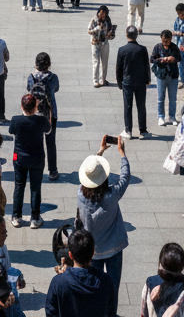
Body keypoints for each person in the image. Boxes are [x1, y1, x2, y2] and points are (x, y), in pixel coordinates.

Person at [76, 135, 130, 316]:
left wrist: (99, 153)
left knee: (95, 285)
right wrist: (122, 154)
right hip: (114, 247)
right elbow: (125, 177)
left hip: (93, 250)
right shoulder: (112, 195)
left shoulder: (81, 195)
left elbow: (89, 174)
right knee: (113, 287)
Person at [45, 227, 113, 317]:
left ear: (70, 255)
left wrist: (63, 277)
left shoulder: (58, 283)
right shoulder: (106, 281)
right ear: (93, 253)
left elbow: (50, 313)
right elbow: (111, 311)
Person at [8, 92, 50, 228]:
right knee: (35, 188)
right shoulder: (41, 120)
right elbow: (48, 130)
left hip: (19, 157)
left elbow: (11, 131)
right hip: (37, 158)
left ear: (22, 106)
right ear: (35, 106)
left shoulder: (16, 120)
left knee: (19, 185)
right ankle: (35, 218)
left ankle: (16, 216)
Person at [27, 51, 60, 179]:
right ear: (49, 65)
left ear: (36, 64)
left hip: (34, 113)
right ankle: (53, 171)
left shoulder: (31, 77)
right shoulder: (53, 78)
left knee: (35, 143)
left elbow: (28, 88)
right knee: (51, 144)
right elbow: (56, 89)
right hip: (50, 114)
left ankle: (35, 168)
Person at [116, 26, 151, 139]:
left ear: (127, 35)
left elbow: (119, 68)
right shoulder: (142, 49)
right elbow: (146, 66)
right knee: (141, 106)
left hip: (127, 81)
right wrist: (147, 79)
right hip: (140, 81)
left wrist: (119, 82)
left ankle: (128, 130)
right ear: (136, 35)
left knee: (128, 106)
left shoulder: (122, 50)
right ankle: (143, 130)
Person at [152, 30, 181, 127]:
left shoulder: (174, 47)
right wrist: (160, 60)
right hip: (161, 74)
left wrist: (172, 59)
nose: (165, 42)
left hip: (173, 75)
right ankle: (161, 116)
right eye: (163, 40)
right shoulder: (157, 47)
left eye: (167, 40)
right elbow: (152, 59)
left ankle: (172, 116)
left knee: (172, 98)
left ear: (170, 39)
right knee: (161, 98)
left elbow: (179, 58)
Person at [88, 5, 116, 87]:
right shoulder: (94, 20)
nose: (102, 15)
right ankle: (95, 80)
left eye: (104, 14)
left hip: (104, 43)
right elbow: (89, 31)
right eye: (100, 13)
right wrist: (96, 29)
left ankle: (102, 79)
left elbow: (110, 33)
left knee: (104, 62)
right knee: (96, 62)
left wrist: (111, 32)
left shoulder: (108, 20)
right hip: (95, 43)